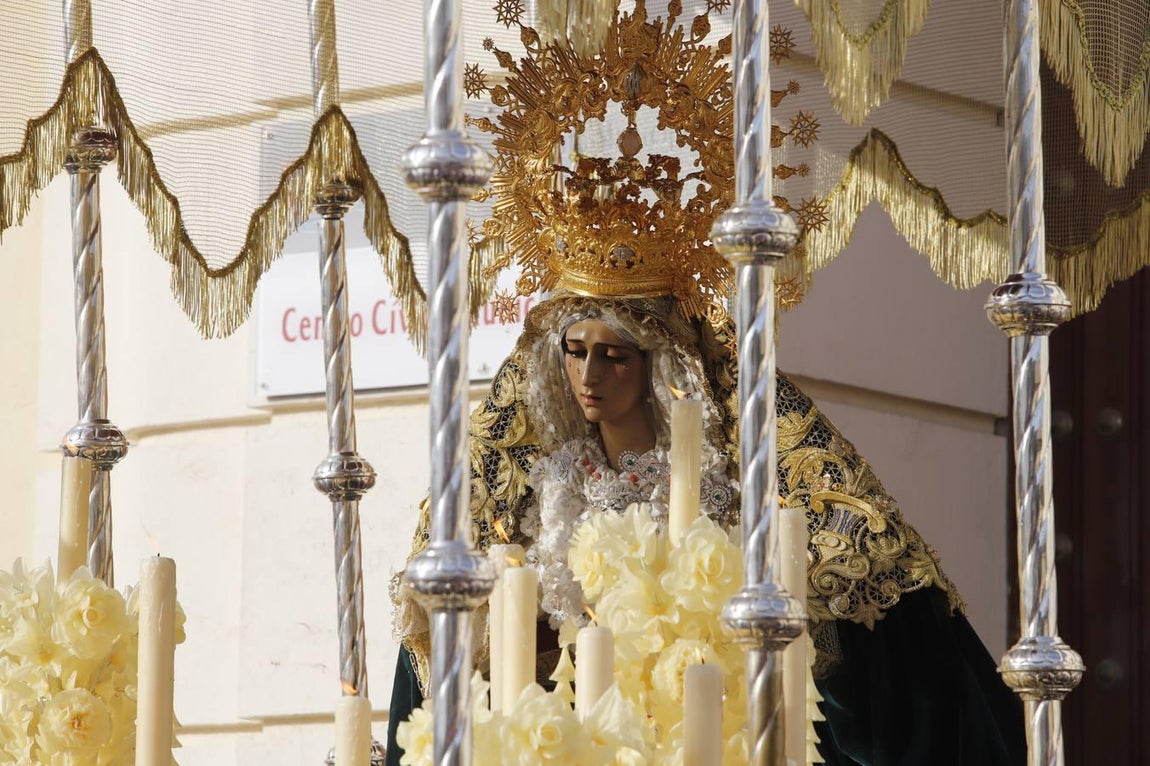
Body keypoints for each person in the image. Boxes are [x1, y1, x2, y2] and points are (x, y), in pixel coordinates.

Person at [386, 291, 1026, 765]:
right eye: (576, 353)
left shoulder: (713, 490)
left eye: (614, 358)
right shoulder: (547, 487)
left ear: (656, 368)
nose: (589, 376)